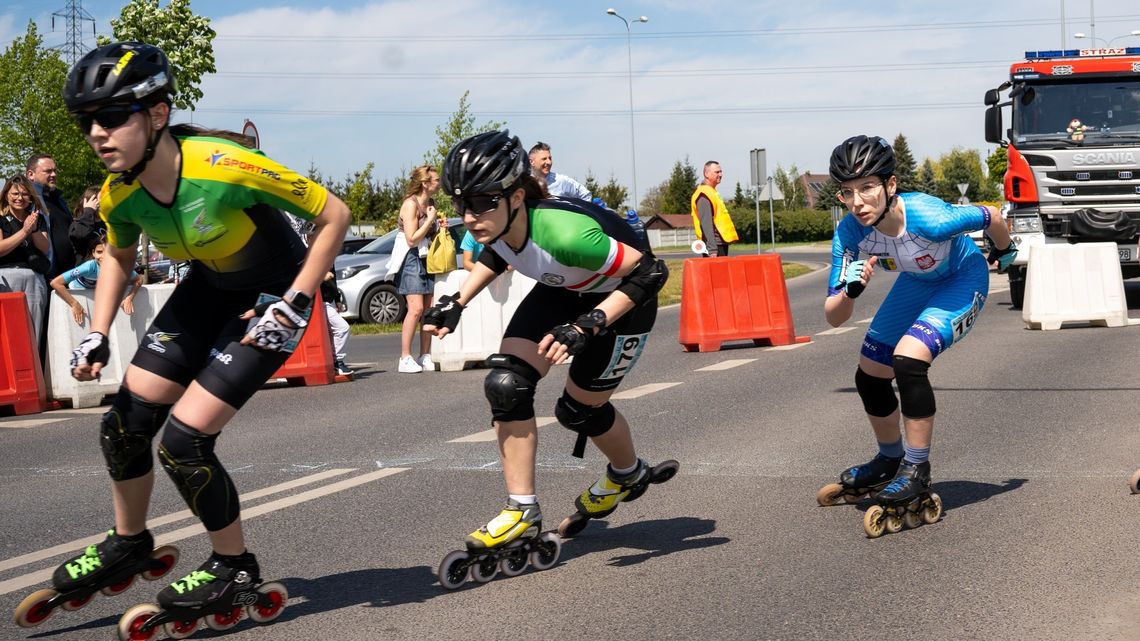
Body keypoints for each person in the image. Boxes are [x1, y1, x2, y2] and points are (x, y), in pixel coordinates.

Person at [51, 41, 349, 625]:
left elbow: (334, 214)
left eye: (111, 117)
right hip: (208, 290)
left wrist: (296, 300)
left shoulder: (222, 165)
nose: (95, 133)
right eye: (88, 121)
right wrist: (99, 330)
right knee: (125, 424)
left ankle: (234, 565)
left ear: (157, 114)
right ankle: (129, 540)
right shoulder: (120, 192)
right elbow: (118, 254)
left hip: (269, 301)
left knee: (184, 444)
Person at [425, 130, 678, 583]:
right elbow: (496, 252)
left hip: (625, 299)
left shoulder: (565, 234)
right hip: (567, 292)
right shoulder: (500, 221)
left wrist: (590, 324)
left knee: (578, 411)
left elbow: (650, 272)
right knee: (506, 384)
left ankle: (627, 472)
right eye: (462, 204)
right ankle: (521, 509)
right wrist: (458, 302)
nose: (470, 216)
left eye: (482, 203)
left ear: (516, 196)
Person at [817, 135, 1017, 535]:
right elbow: (833, 317)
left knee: (908, 359)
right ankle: (890, 458)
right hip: (918, 283)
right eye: (848, 192)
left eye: (868, 188)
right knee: (870, 370)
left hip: (962, 278)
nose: (858, 202)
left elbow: (991, 214)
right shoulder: (849, 235)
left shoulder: (931, 216)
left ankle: (916, 467)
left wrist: (1006, 251)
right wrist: (850, 291)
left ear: (890, 186)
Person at [387, 164, 445, 373]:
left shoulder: (430, 203)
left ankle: (425, 355)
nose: (439, 183)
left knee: (428, 310)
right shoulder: (410, 205)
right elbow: (411, 239)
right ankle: (405, 357)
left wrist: (438, 226)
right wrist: (430, 219)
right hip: (410, 257)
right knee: (416, 309)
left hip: (426, 256)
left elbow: (426, 234)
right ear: (425, 183)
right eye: (436, 180)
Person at [0, 175, 51, 343]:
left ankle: (32, 367)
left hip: (34, 277)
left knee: (33, 330)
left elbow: (44, 248)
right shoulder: (1, 219)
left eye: (24, 194)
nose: (19, 198)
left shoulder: (38, 218)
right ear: (6, 195)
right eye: (15, 194)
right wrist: (24, 232)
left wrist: (33, 228)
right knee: (8, 330)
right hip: (7, 276)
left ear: (31, 196)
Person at [50, 237, 143, 326]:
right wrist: (74, 304)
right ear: (93, 253)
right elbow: (56, 283)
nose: (103, 256)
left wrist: (129, 298)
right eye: (99, 252)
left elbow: (138, 279)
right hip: (78, 293)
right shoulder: (88, 267)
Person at [26, 154, 76, 279]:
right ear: (31, 174)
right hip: (45, 275)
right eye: (48, 171)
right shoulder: (26, 201)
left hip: (69, 274)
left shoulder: (59, 199)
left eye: (55, 171)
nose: (54, 174)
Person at [689, 160, 739, 257]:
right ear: (706, 174)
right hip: (714, 246)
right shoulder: (704, 194)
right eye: (717, 172)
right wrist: (712, 250)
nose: (721, 174)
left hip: (720, 243)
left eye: (721, 171)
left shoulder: (712, 192)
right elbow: (706, 223)